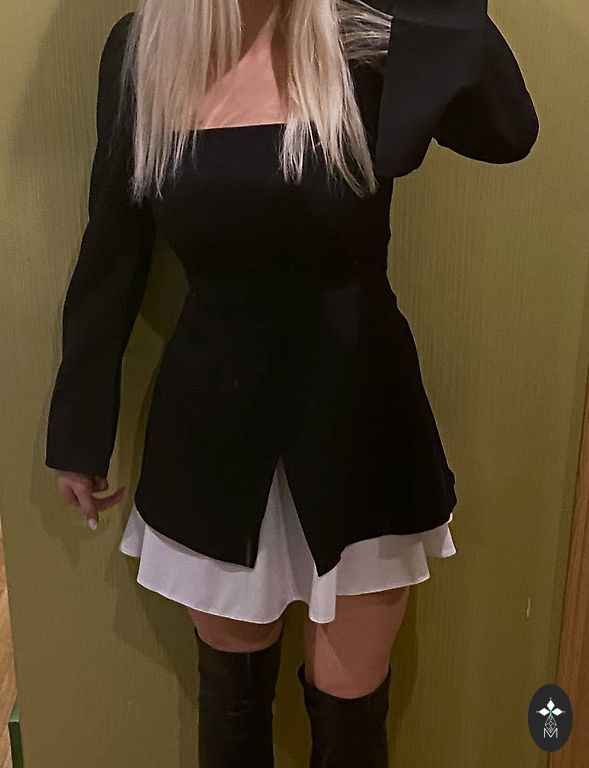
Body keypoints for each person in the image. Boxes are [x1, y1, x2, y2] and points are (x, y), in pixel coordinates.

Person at [45, 0, 539, 766]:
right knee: (233, 701)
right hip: (214, 426)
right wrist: (80, 431)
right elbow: (113, 243)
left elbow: (507, 134)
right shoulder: (143, 50)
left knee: (350, 701)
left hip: (360, 414)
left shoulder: (370, 36)